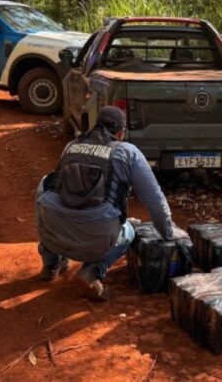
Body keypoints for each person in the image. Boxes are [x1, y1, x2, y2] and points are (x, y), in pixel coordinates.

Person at [35, 106, 184, 301]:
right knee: (129, 231)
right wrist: (168, 232)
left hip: (53, 233)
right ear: (121, 132)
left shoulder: (71, 145)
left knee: (46, 185)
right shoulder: (127, 152)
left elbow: (58, 184)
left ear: (96, 125)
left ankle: (51, 264)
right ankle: (92, 270)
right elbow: (154, 199)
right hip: (96, 239)